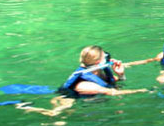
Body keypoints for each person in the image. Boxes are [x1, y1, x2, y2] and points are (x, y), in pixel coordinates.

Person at [19, 45, 149, 117]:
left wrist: (121, 76)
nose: (110, 58)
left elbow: (113, 84)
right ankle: (28, 108)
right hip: (67, 100)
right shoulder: (86, 84)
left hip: (90, 100)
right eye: (106, 56)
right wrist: (144, 91)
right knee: (55, 115)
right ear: (98, 62)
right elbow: (113, 92)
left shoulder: (100, 74)